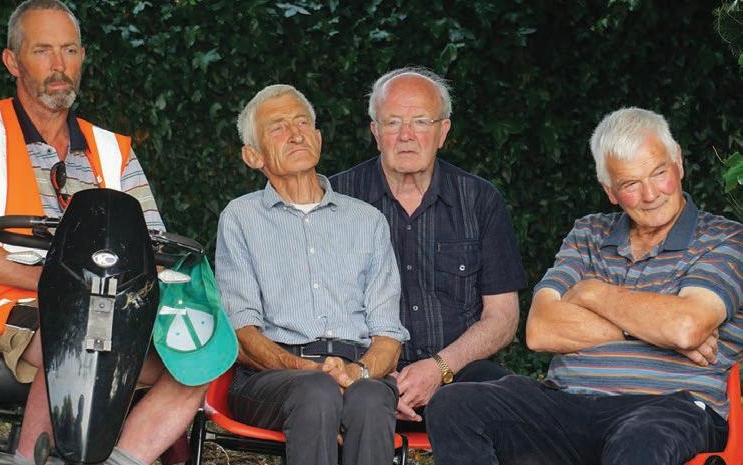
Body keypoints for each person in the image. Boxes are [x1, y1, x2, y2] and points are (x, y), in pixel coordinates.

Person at [426, 107, 743, 465]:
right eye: (631, 184)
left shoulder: (725, 239)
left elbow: (686, 327)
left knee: (639, 444)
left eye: (659, 173)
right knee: (454, 406)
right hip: (567, 403)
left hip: (667, 407)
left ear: (678, 163)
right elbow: (541, 330)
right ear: (610, 191)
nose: (651, 193)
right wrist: (653, 326)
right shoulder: (589, 233)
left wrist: (592, 292)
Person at [0, 2, 206, 464]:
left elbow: (152, 246)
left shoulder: (112, 149)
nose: (60, 65)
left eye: (70, 50)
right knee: (76, 326)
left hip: (107, 313)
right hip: (3, 308)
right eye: (43, 50)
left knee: (196, 360)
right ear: (13, 61)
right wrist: (52, 283)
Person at [215, 84, 409, 465]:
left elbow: (388, 335)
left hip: (357, 368)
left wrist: (356, 372)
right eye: (278, 128)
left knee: (371, 399)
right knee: (318, 391)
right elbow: (242, 333)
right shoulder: (240, 218)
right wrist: (311, 371)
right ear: (253, 156)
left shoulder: (367, 221)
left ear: (318, 139)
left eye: (302, 123)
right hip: (272, 376)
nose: (295, 134)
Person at [330, 67, 526, 426]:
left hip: (458, 373)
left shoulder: (480, 200)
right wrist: (373, 374)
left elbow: (503, 317)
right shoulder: (335, 200)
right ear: (376, 132)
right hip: (361, 375)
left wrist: (439, 368)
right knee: (350, 405)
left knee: (518, 408)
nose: (406, 135)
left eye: (421, 121)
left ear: (443, 132)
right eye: (393, 123)